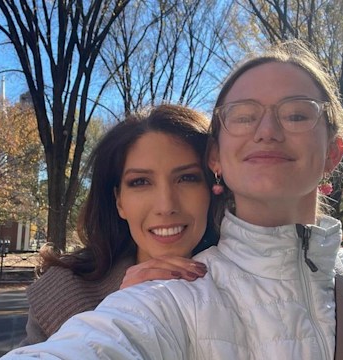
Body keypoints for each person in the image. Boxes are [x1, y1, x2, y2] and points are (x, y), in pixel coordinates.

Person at [3, 42, 343, 359]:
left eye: (297, 113)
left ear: (333, 152)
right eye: (244, 116)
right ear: (219, 157)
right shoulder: (160, 302)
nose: (268, 129)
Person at [19, 104, 218, 345]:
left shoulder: (252, 284)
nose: (166, 206)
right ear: (119, 201)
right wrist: (118, 315)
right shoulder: (63, 295)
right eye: (141, 182)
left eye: (187, 178)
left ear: (213, 189)